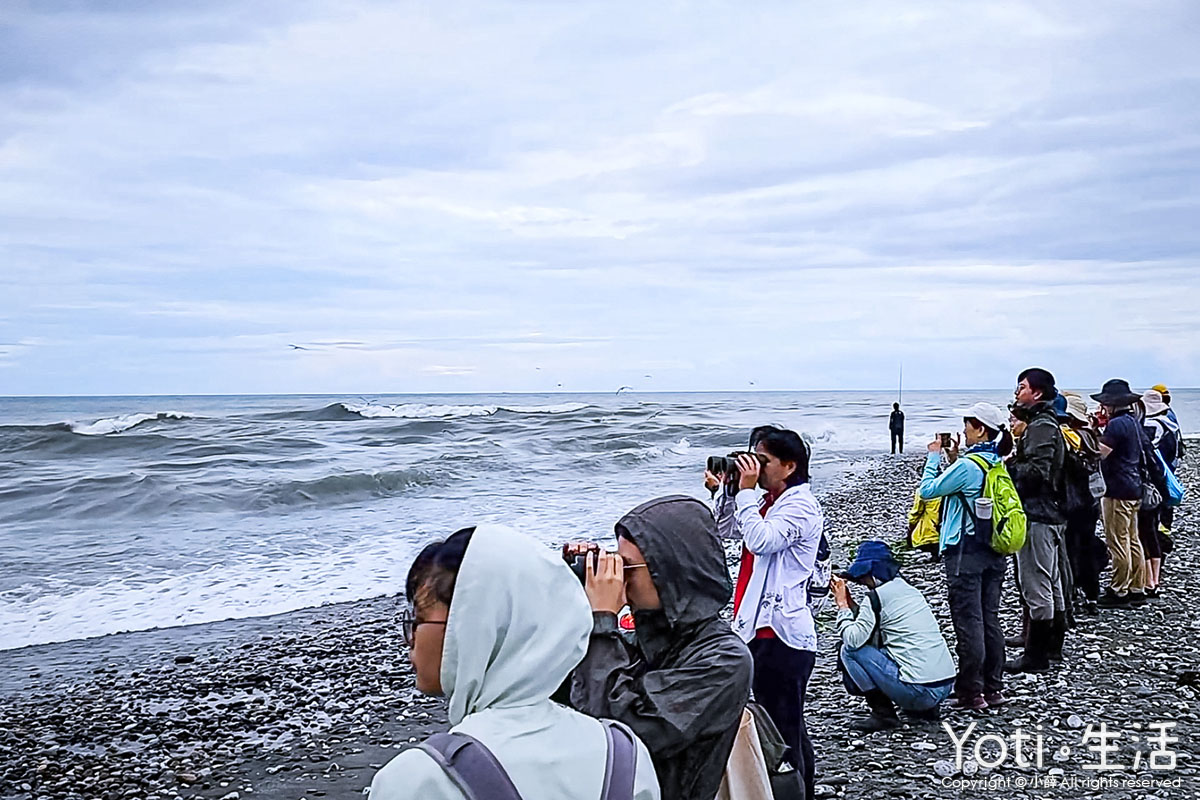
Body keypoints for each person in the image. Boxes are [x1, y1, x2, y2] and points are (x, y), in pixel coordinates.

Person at [371, 525, 660, 800]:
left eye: (416, 620)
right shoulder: (625, 755)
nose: (410, 639)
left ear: (470, 628)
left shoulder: (418, 778)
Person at [568, 496, 753, 800]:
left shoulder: (725, 660)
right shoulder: (647, 634)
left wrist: (602, 622)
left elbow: (621, 734)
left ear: (669, 570)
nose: (620, 579)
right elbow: (569, 686)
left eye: (628, 568)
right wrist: (577, 596)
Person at [709, 426, 824, 800]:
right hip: (757, 627)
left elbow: (762, 540)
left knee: (783, 726)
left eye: (763, 462)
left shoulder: (800, 505)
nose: (755, 469)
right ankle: (801, 788)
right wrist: (728, 492)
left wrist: (744, 491)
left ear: (789, 466)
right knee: (785, 723)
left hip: (782, 632)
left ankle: (795, 790)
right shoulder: (768, 501)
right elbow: (725, 530)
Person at [917, 402, 1012, 707]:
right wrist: (954, 457)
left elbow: (929, 490)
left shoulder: (969, 467)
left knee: (968, 621)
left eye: (968, 425)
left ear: (980, 428)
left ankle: (971, 690)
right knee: (990, 618)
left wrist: (933, 456)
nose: (964, 430)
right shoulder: (996, 461)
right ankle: (993, 687)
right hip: (993, 549)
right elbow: (968, 485)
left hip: (964, 551)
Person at [830, 541, 956, 731]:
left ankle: (883, 714)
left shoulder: (876, 597)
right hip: (945, 685)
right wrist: (849, 600)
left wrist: (842, 606)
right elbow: (869, 624)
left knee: (848, 651)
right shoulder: (909, 590)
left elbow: (854, 639)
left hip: (919, 692)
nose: (862, 582)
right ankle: (928, 710)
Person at [1005, 368, 1068, 673]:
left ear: (1037, 393)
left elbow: (1038, 471)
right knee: (1050, 578)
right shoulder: (1046, 423)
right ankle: (1052, 646)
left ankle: (1037, 655)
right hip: (1050, 512)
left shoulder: (1041, 426)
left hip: (1039, 513)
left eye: (1022, 387)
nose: (1017, 392)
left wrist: (1010, 468)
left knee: (1037, 581)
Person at [1092, 379, 1148, 608]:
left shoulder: (1116, 425)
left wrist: (1092, 433)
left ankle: (1119, 588)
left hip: (1117, 488)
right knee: (1133, 539)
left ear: (1111, 404)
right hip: (1133, 485)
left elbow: (1100, 453)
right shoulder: (1132, 421)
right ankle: (1137, 586)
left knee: (1117, 540)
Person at [1060, 394, 1108, 616]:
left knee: (1071, 550)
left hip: (1072, 501)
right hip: (1091, 501)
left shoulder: (1070, 438)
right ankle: (1091, 596)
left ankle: (1072, 595)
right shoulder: (1090, 435)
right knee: (1087, 547)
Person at [1144, 388, 1181, 535]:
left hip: (1157, 467)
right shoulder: (1169, 421)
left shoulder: (1152, 425)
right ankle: (1165, 526)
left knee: (1155, 497)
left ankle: (1159, 528)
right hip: (1169, 463)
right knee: (1166, 494)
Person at [906, 486, 941, 562]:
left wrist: (910, 527)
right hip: (944, 534)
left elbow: (916, 513)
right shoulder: (949, 490)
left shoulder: (924, 491)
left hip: (927, 535)